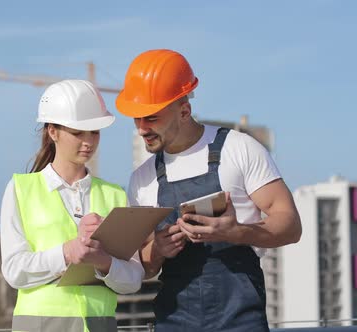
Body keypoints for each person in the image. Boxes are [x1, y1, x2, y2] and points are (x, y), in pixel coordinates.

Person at [115, 49, 302, 332]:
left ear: (184, 111)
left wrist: (236, 231)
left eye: (151, 118)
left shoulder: (238, 149)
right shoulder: (142, 178)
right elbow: (144, 266)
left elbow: (291, 225)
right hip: (174, 319)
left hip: (241, 319)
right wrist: (159, 250)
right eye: (136, 119)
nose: (142, 129)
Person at [0, 79, 144, 332]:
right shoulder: (21, 189)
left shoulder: (115, 195)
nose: (88, 142)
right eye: (78, 133)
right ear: (52, 131)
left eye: (95, 132)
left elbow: (133, 279)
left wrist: (103, 262)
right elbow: (14, 271)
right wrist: (66, 253)